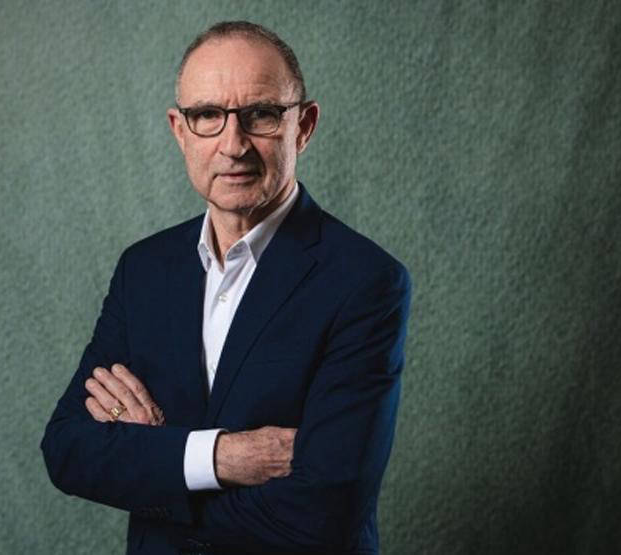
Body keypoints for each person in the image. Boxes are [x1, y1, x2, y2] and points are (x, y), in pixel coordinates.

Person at [41, 20, 411, 555]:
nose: (233, 145)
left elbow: (324, 514)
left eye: (260, 115)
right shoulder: (143, 270)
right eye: (207, 116)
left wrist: (155, 460)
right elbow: (68, 450)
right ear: (180, 130)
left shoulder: (366, 281)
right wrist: (219, 457)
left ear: (303, 126)